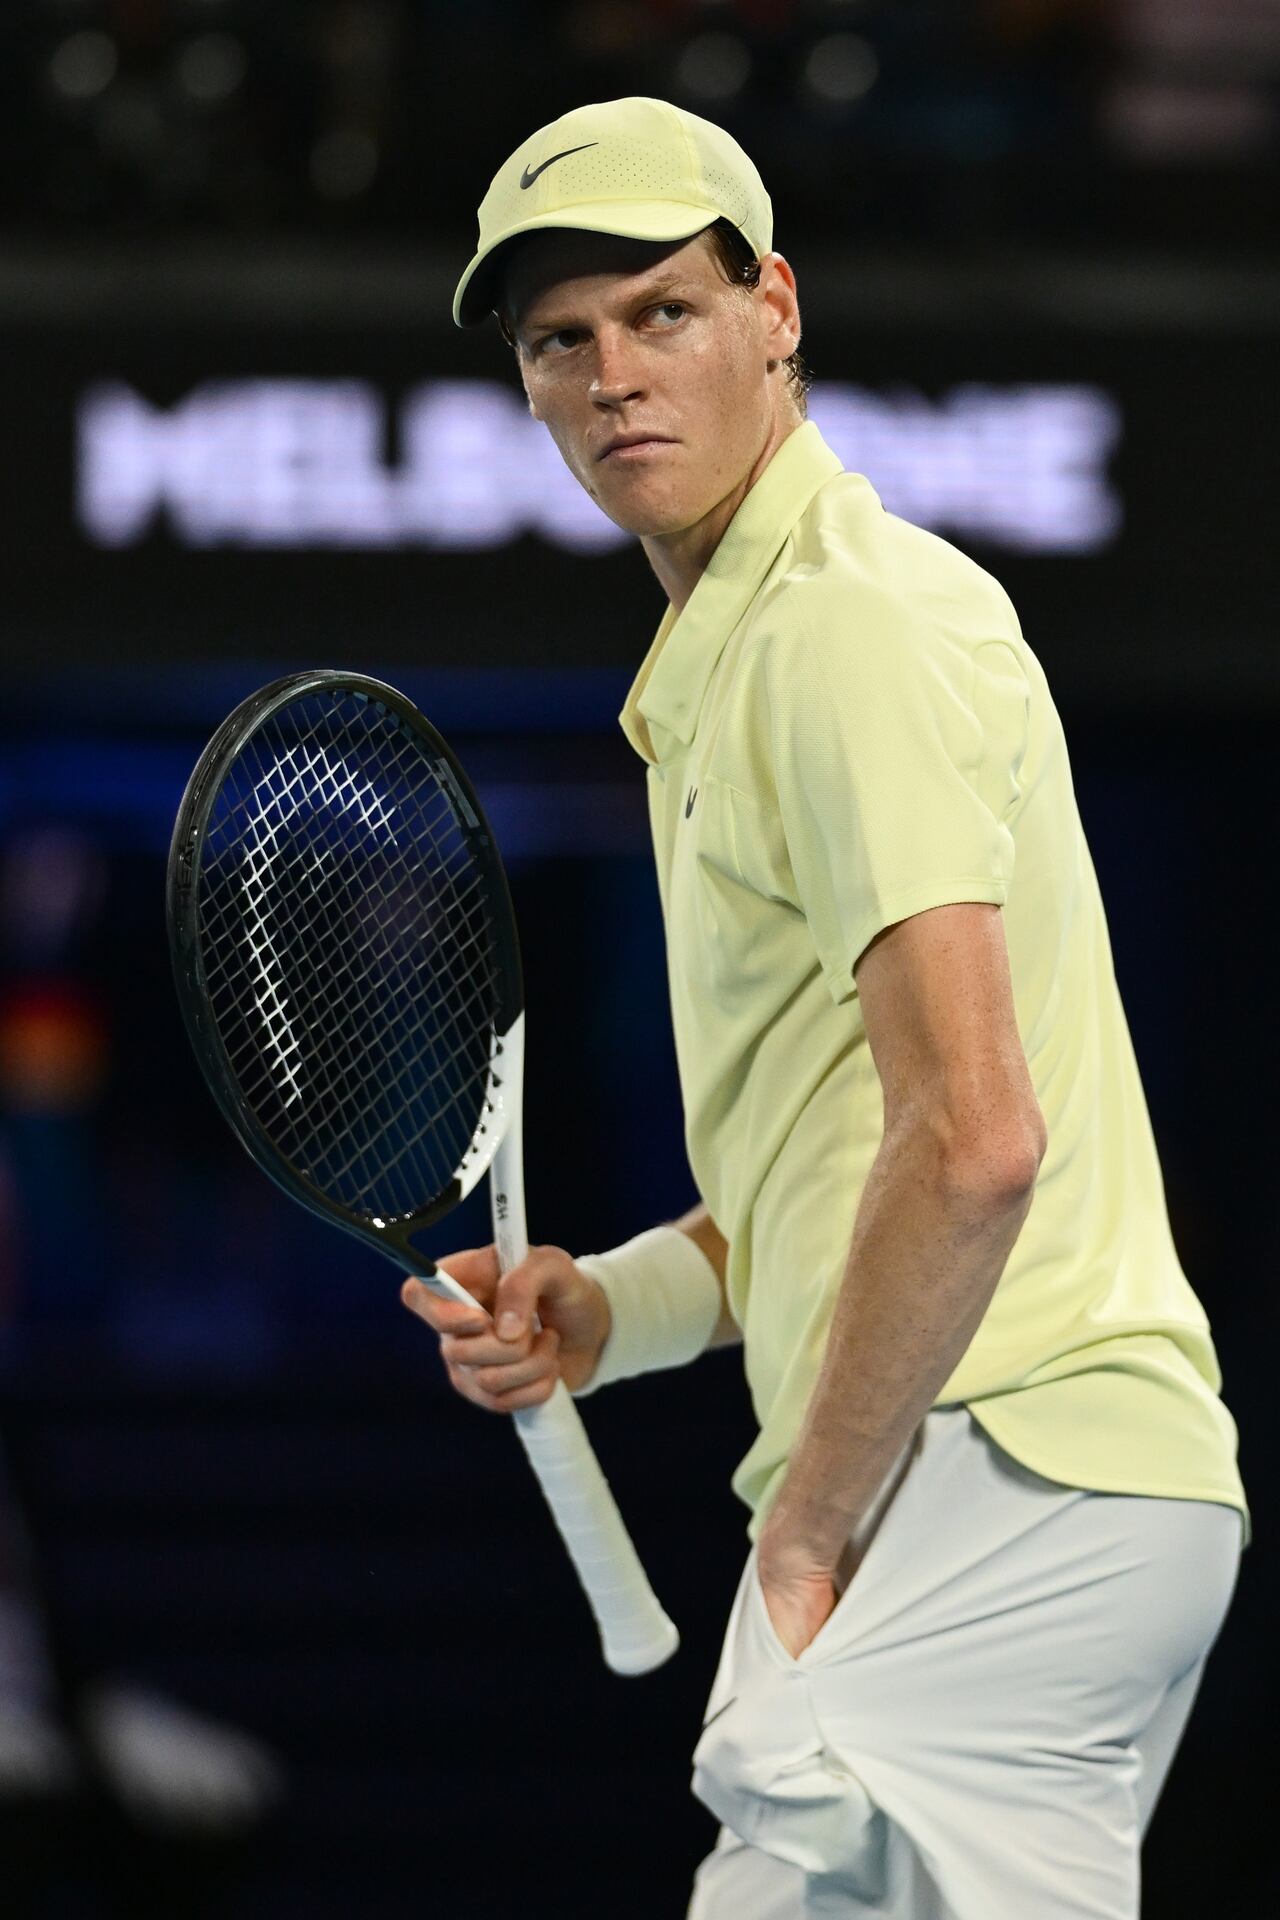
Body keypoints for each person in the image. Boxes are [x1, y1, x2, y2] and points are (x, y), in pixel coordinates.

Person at [401, 97, 1249, 1918]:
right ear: (531, 390)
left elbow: (975, 1143)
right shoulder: (731, 663)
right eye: (564, 342)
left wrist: (805, 1528)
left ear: (776, 306)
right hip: (1033, 1476)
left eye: (665, 313)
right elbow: (836, 1160)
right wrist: (604, 1311)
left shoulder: (845, 628)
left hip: (1003, 1457)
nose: (615, 375)